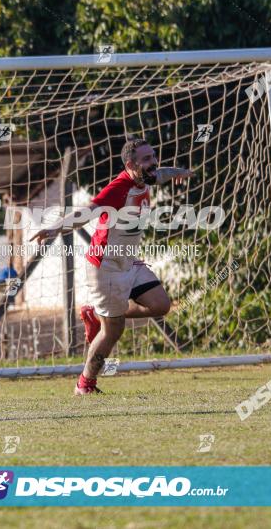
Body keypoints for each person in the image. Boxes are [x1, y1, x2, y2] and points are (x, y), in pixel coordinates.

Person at [31, 138, 191, 394]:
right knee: (113, 331)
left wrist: (180, 173)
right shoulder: (118, 188)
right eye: (147, 159)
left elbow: (160, 174)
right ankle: (85, 384)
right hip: (105, 267)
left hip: (129, 262)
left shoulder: (146, 177)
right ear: (130, 165)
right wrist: (53, 228)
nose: (154, 163)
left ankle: (97, 313)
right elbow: (85, 213)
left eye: (154, 156)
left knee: (161, 305)